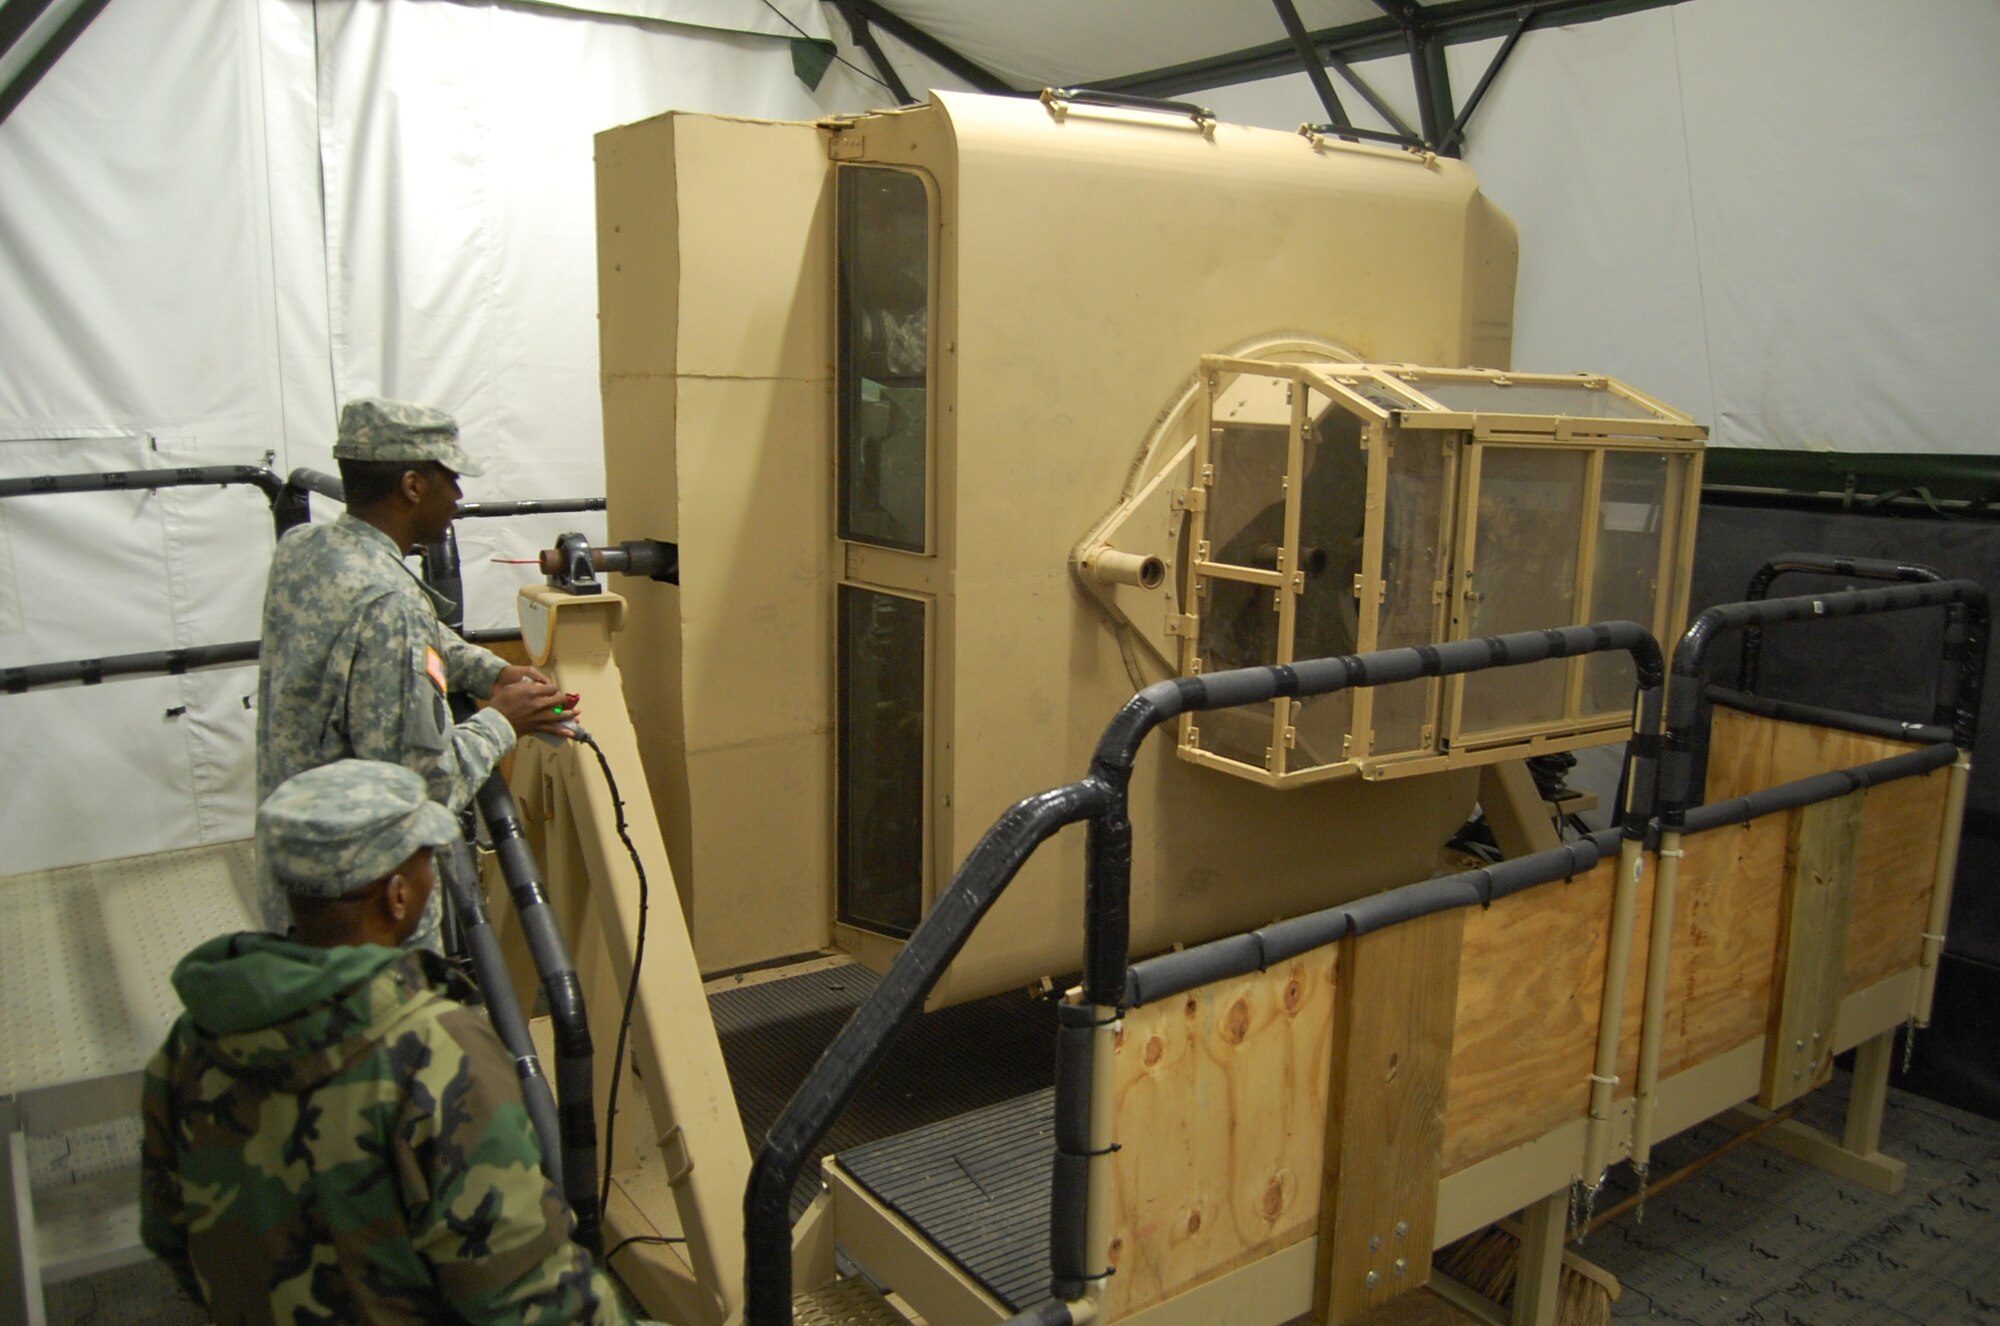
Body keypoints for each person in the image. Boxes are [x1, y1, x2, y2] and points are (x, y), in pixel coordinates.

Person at [140, 759, 633, 1325]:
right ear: (397, 895)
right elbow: (533, 1303)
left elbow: (169, 1234)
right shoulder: (437, 1052)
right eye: (425, 858)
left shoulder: (194, 1037)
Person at [255, 397, 579, 949]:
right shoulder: (387, 606)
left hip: (297, 876)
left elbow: (413, 634)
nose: (457, 497)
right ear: (412, 486)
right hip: (366, 916)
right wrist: (504, 722)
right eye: (449, 479)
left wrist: (492, 672)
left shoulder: (307, 548)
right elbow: (422, 785)